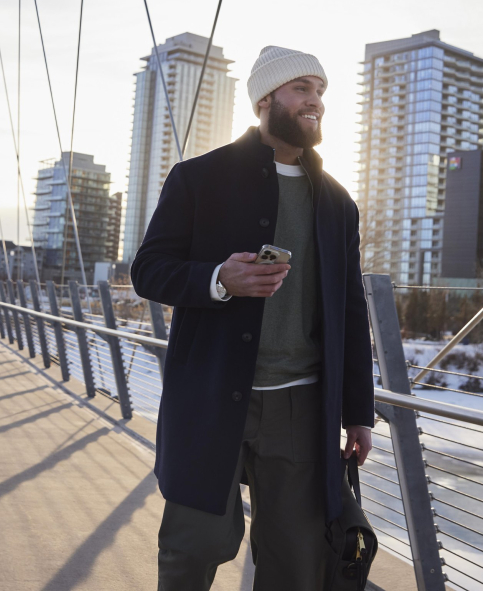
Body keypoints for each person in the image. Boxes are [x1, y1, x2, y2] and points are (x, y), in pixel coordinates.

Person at [132, 45, 375, 590]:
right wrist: (219, 278)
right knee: (191, 549)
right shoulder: (199, 177)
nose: (317, 101)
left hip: (302, 403)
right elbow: (148, 271)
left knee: (297, 560)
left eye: (321, 92)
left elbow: (350, 310)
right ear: (266, 99)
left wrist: (359, 410)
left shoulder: (338, 201)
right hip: (212, 393)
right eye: (304, 89)